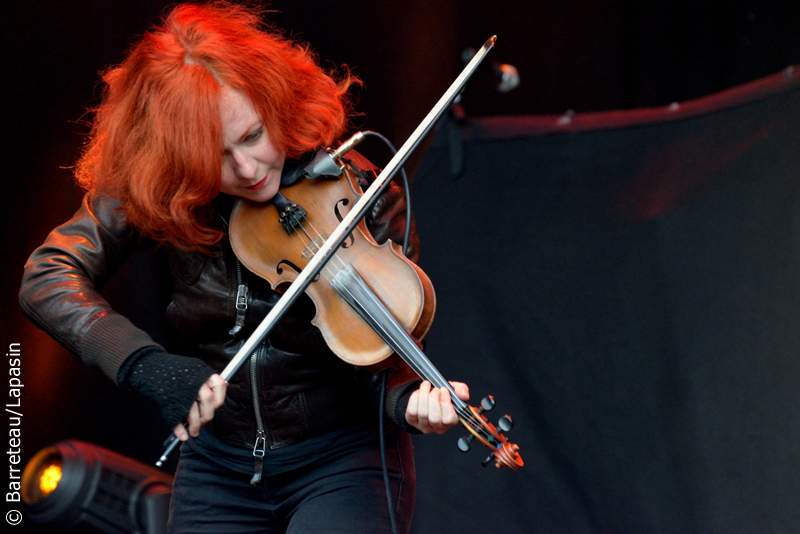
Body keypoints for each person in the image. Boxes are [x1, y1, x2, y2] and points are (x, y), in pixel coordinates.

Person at [19, 3, 469, 533]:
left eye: (254, 136)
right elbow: (48, 274)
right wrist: (145, 364)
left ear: (276, 105)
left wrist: (406, 400)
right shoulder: (164, 188)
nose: (250, 170)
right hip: (217, 465)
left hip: (343, 462)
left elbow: (376, 352)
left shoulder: (360, 193)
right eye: (218, 155)